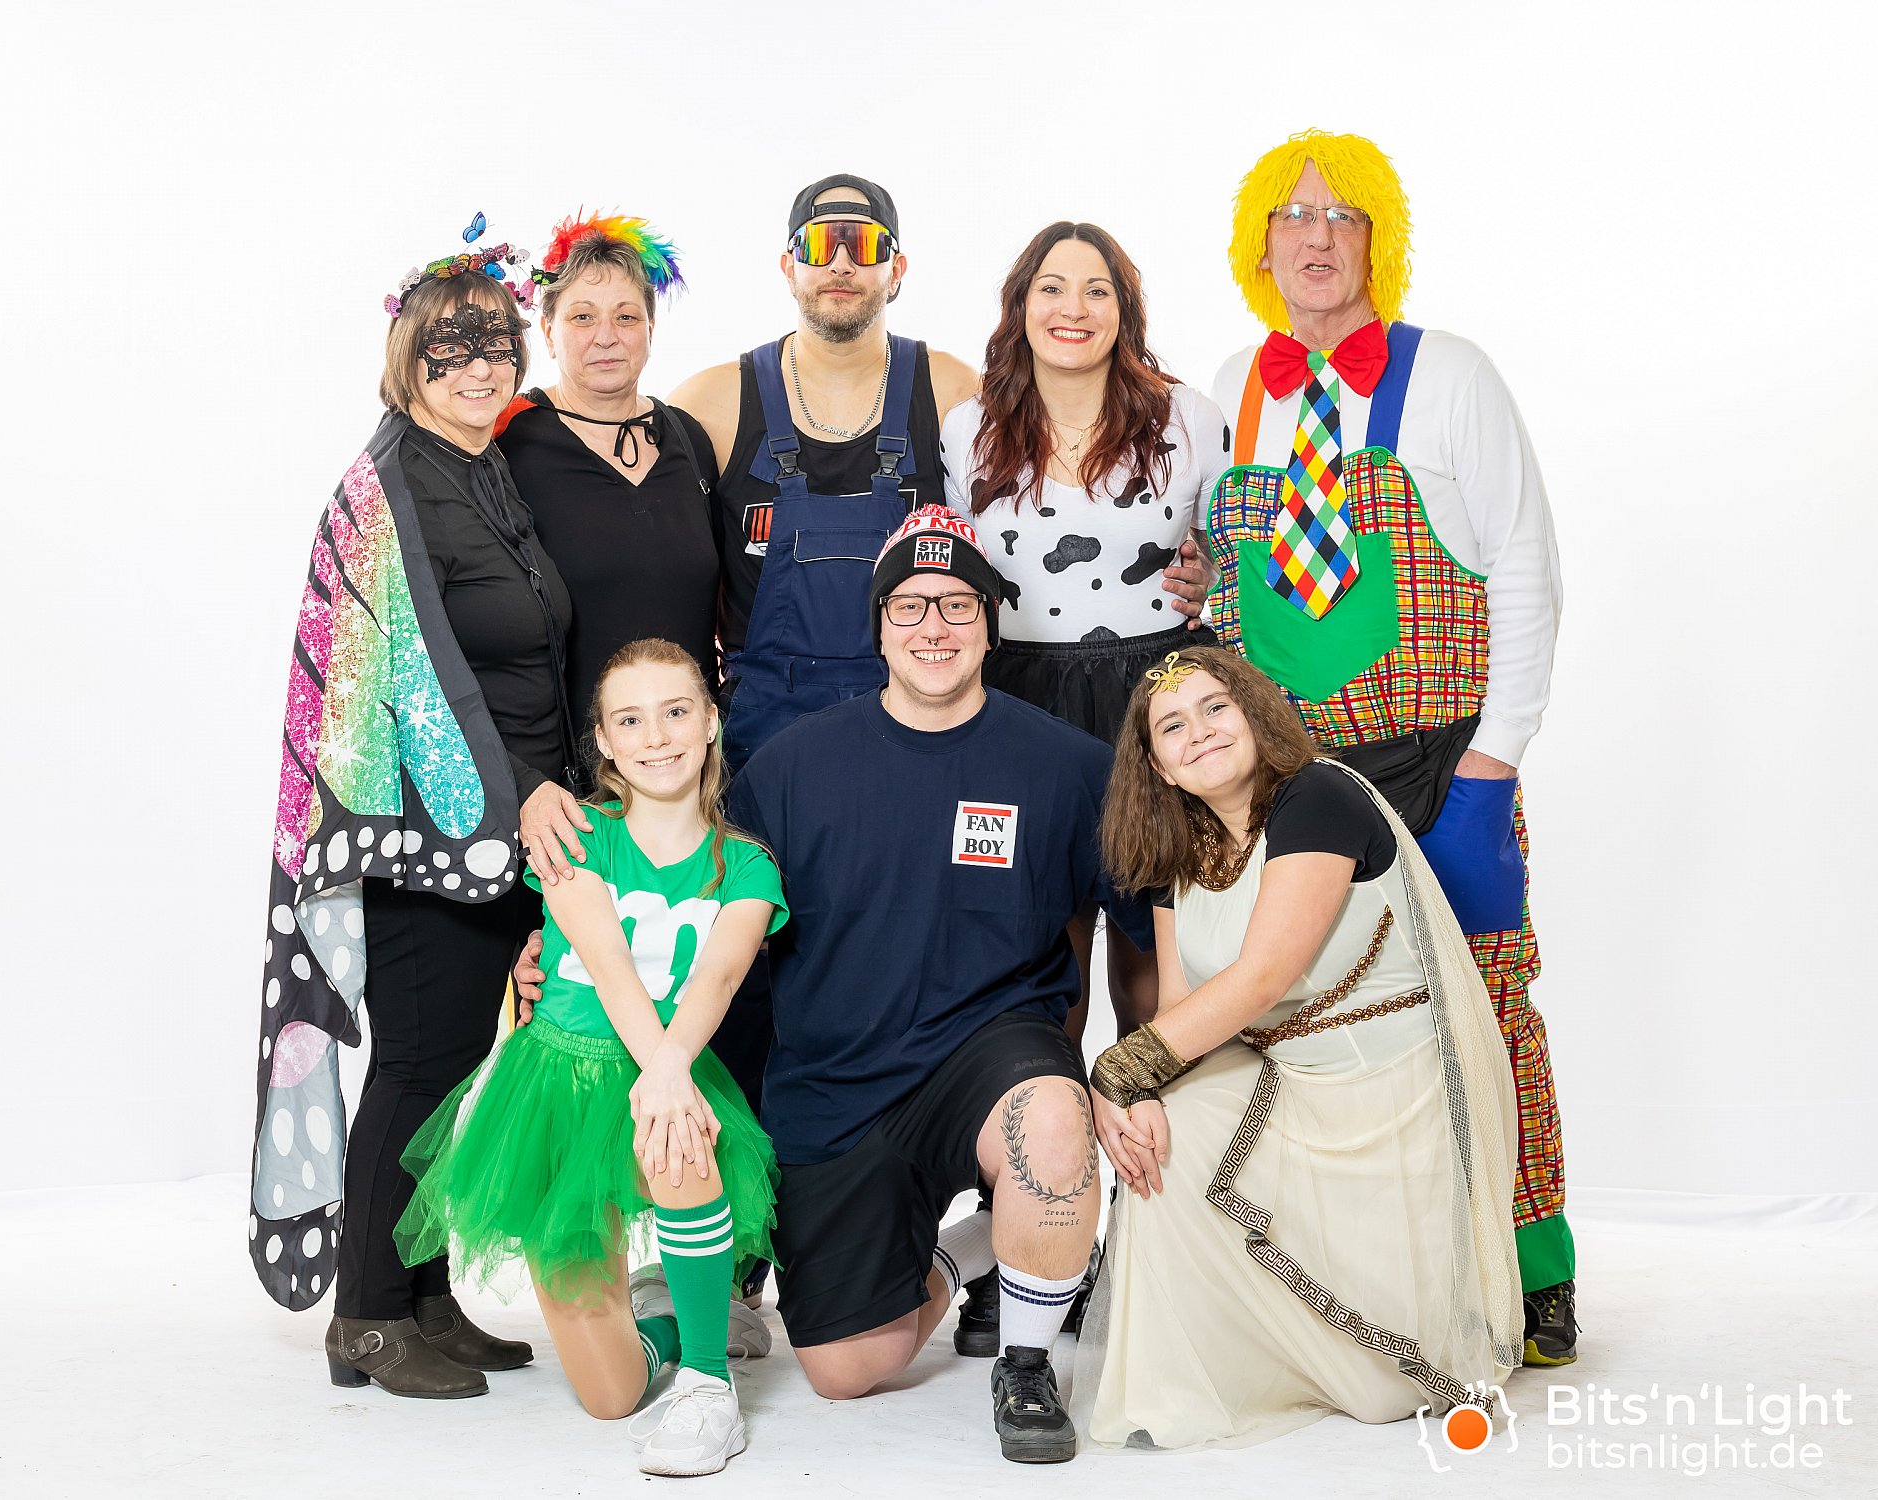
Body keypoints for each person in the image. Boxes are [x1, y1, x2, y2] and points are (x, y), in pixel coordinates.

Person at [1203, 129, 1577, 1363]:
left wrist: (1494, 759)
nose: (1316, 236)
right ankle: (1364, 1274)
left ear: (1379, 241)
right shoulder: (1236, 387)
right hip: (1298, 787)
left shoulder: (1451, 374)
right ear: (1259, 244)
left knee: (1491, 1007)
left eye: (1343, 215)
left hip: (1443, 761)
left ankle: (1535, 1269)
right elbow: (1229, 582)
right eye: (1293, 215)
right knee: (1318, 1019)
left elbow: (1522, 564)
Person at [724, 505, 1153, 1465]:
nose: (934, 627)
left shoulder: (1071, 768)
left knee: (1052, 1117)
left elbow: (1157, 923)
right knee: (844, 1369)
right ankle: (976, 1245)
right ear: (878, 626)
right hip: (837, 1085)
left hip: (990, 1054)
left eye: (958, 605)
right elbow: (702, 928)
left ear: (990, 625)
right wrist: (565, 954)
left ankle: (1027, 1363)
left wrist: (1147, 1070)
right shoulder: (787, 771)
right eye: (910, 606)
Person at [249, 220, 594, 1395]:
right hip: (425, 833)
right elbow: (410, 678)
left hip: (506, 830)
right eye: (451, 349)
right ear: (407, 358)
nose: (480, 367)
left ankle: (427, 1293)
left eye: (497, 344)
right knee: (416, 1064)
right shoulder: (387, 485)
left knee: (455, 1067)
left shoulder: (479, 465)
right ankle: (366, 1316)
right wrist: (519, 792)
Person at [1076, 645, 1521, 1449]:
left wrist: (1117, 1071)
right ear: (1158, 767)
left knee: (1389, 1390)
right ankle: (1190, 1382)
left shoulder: (1317, 795)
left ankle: (1331, 1358)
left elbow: (1262, 976)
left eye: (1216, 707)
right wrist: (1142, 1098)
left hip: (1391, 1090)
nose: (1200, 732)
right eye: (1172, 726)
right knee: (1160, 1140)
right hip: (1284, 1078)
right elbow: (1180, 1008)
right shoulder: (1180, 848)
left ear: (1253, 714)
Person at [395, 639, 783, 1476]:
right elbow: (606, 962)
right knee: (610, 1395)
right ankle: (677, 1318)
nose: (657, 736)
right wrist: (667, 1072)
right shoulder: (576, 835)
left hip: (661, 1078)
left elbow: (718, 978)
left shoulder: (747, 865)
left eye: (676, 712)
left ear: (710, 722)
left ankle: (708, 1386)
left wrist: (668, 1076)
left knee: (680, 1133)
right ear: (603, 740)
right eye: (630, 720)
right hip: (553, 1088)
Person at [942, 221, 1225, 1046]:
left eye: (1097, 290)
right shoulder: (969, 428)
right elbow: (953, 572)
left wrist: (1214, 579)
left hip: (1157, 699)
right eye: (1053, 288)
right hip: (1020, 701)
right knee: (1040, 970)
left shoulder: (1188, 418)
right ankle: (1051, 1130)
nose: (1075, 308)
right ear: (1020, 306)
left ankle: (1153, 1131)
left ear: (1124, 310)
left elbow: (1238, 557)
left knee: (1155, 969)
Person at [669, 174, 976, 770]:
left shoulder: (953, 392)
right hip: (763, 740)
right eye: (817, 245)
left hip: (920, 721)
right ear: (788, 267)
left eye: (863, 245)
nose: (840, 263)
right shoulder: (711, 404)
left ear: (897, 269)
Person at [497, 213, 721, 737]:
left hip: (691, 759)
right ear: (548, 332)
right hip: (566, 765)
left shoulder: (689, 439)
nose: (606, 337)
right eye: (582, 317)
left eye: (625, 316)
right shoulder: (508, 444)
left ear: (650, 330)